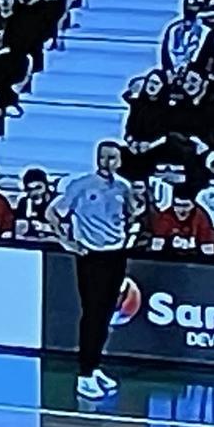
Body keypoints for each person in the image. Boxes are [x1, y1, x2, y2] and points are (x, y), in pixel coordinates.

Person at [45, 141, 134, 401]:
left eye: (112, 158)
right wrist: (67, 242)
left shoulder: (123, 187)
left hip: (116, 254)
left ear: (119, 161)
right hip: (91, 256)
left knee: (106, 315)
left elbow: (130, 214)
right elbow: (53, 213)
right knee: (92, 314)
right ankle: (84, 375)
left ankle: (95, 367)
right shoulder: (80, 185)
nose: (107, 162)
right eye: (103, 157)